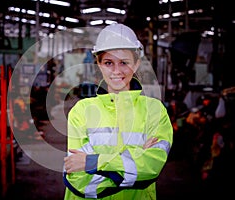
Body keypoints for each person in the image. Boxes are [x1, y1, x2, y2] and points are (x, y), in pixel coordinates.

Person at [63, 23, 173, 200]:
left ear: (136, 64)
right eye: (108, 62)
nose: (116, 71)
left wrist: (93, 162)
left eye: (124, 62)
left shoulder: (155, 111)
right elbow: (79, 180)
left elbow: (152, 168)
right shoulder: (81, 111)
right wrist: (136, 160)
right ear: (99, 64)